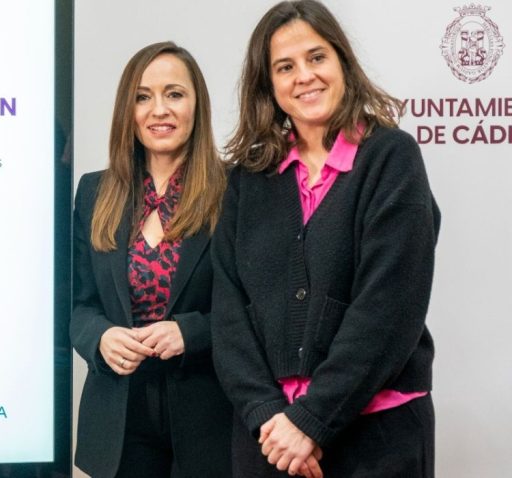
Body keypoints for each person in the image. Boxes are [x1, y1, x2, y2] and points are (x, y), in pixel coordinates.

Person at [213, 1, 439, 477]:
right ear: (268, 84)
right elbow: (229, 316)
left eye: (316, 57)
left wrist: (311, 420)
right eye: (285, 67)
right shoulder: (247, 179)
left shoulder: (391, 158)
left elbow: (389, 308)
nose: (304, 76)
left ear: (342, 62)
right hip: (269, 440)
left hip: (376, 436)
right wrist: (268, 415)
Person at [71, 41, 232, 478]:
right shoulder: (94, 192)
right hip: (118, 420)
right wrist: (101, 338)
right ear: (128, 110)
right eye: (143, 97)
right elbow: (78, 306)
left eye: (174, 94)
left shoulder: (234, 190)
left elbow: (259, 310)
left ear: (197, 104)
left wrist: (190, 333)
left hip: (208, 417)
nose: (159, 110)